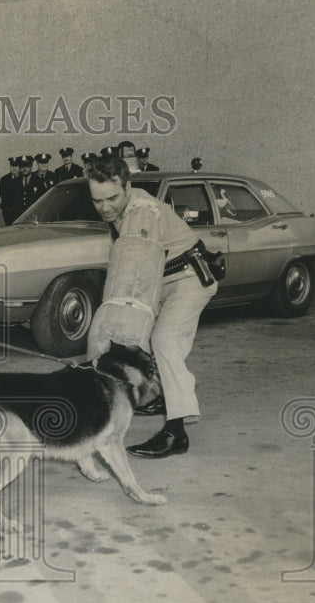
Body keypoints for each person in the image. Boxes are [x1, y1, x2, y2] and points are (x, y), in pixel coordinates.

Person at [85, 156, 217, 459]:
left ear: (128, 186)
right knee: (142, 340)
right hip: (159, 280)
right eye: (97, 201)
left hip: (188, 279)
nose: (105, 207)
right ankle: (159, 394)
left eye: (112, 198)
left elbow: (132, 268)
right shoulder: (119, 210)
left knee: (164, 340)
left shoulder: (142, 211)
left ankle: (176, 432)